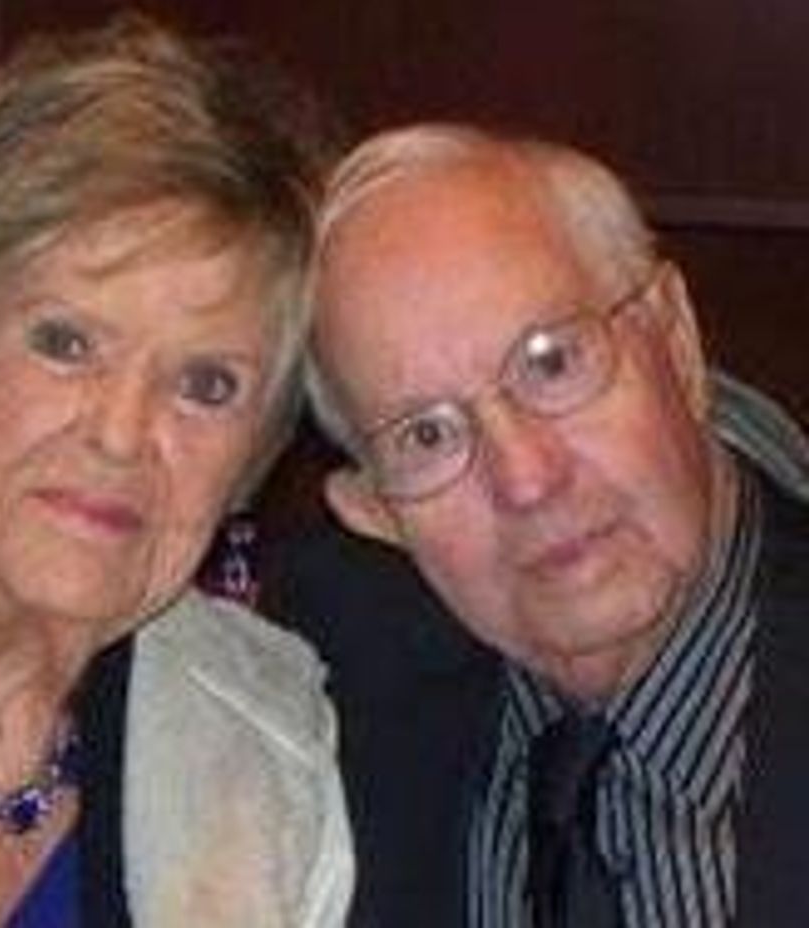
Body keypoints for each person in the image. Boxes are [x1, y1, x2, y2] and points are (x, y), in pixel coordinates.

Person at [0, 14, 353, 925]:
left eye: (206, 385)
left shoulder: (270, 776)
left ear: (257, 452)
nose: (122, 436)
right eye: (66, 342)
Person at [268, 122, 809, 927]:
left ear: (676, 340)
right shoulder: (318, 711)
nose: (526, 479)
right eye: (427, 435)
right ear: (374, 512)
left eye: (552, 362)